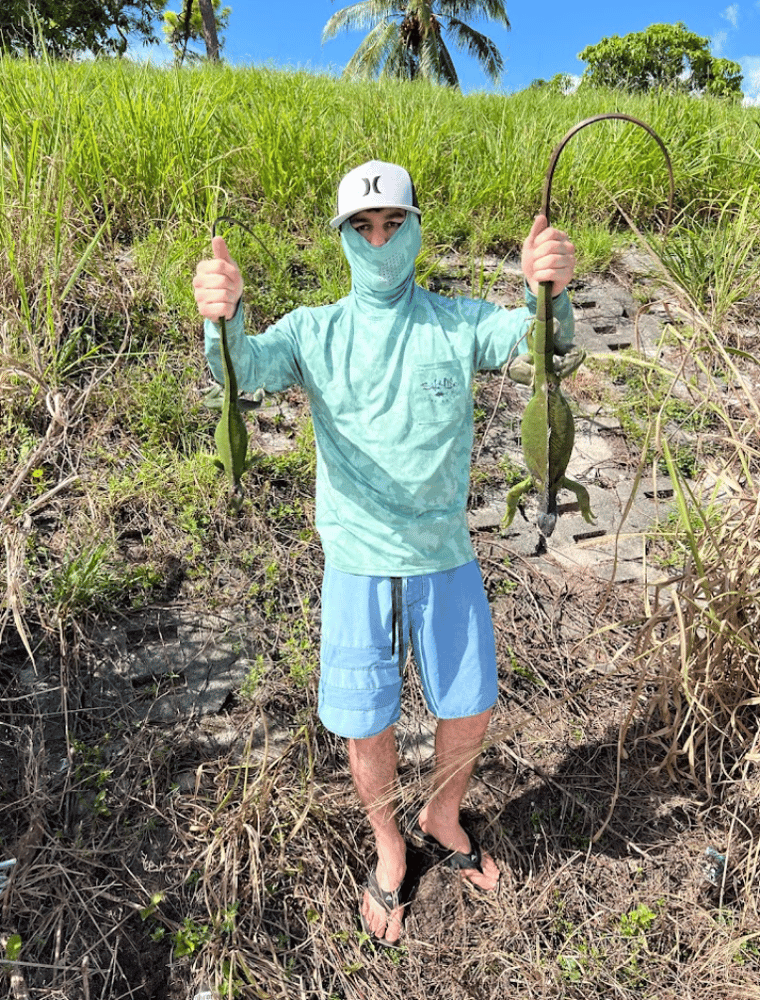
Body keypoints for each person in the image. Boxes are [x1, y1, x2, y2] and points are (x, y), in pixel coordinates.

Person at [193, 160, 576, 946]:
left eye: (392, 223)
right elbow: (244, 370)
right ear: (342, 239)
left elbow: (536, 344)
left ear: (415, 229)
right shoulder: (313, 330)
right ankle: (390, 846)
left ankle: (441, 815)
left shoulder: (456, 321)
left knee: (469, 703)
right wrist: (220, 319)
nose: (378, 238)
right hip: (357, 559)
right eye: (362, 228)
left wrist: (552, 290)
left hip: (444, 551)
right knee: (366, 721)